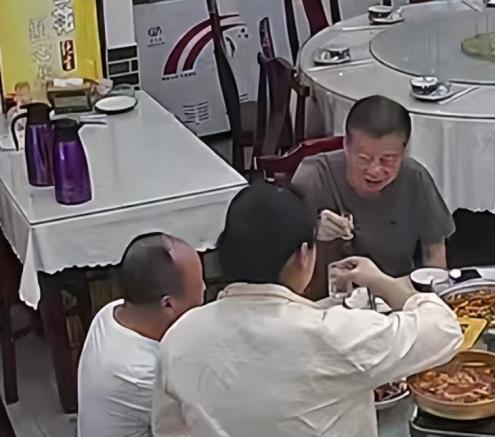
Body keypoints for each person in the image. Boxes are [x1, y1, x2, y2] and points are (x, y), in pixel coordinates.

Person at [152, 182, 462, 437]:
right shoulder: (331, 334)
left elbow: (169, 429)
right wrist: (382, 282)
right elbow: (444, 330)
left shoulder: (180, 336)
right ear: (303, 256)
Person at [292, 95, 455, 294]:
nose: (375, 170)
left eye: (388, 160)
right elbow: (281, 253)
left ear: (404, 151)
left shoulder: (415, 178)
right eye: (364, 158)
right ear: (345, 146)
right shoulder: (314, 177)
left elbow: (434, 251)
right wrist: (311, 230)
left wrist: (433, 300)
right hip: (327, 301)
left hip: (395, 294)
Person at [77, 233, 205, 437]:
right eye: (199, 286)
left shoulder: (110, 313)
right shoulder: (144, 375)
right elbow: (206, 424)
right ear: (168, 304)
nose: (204, 290)